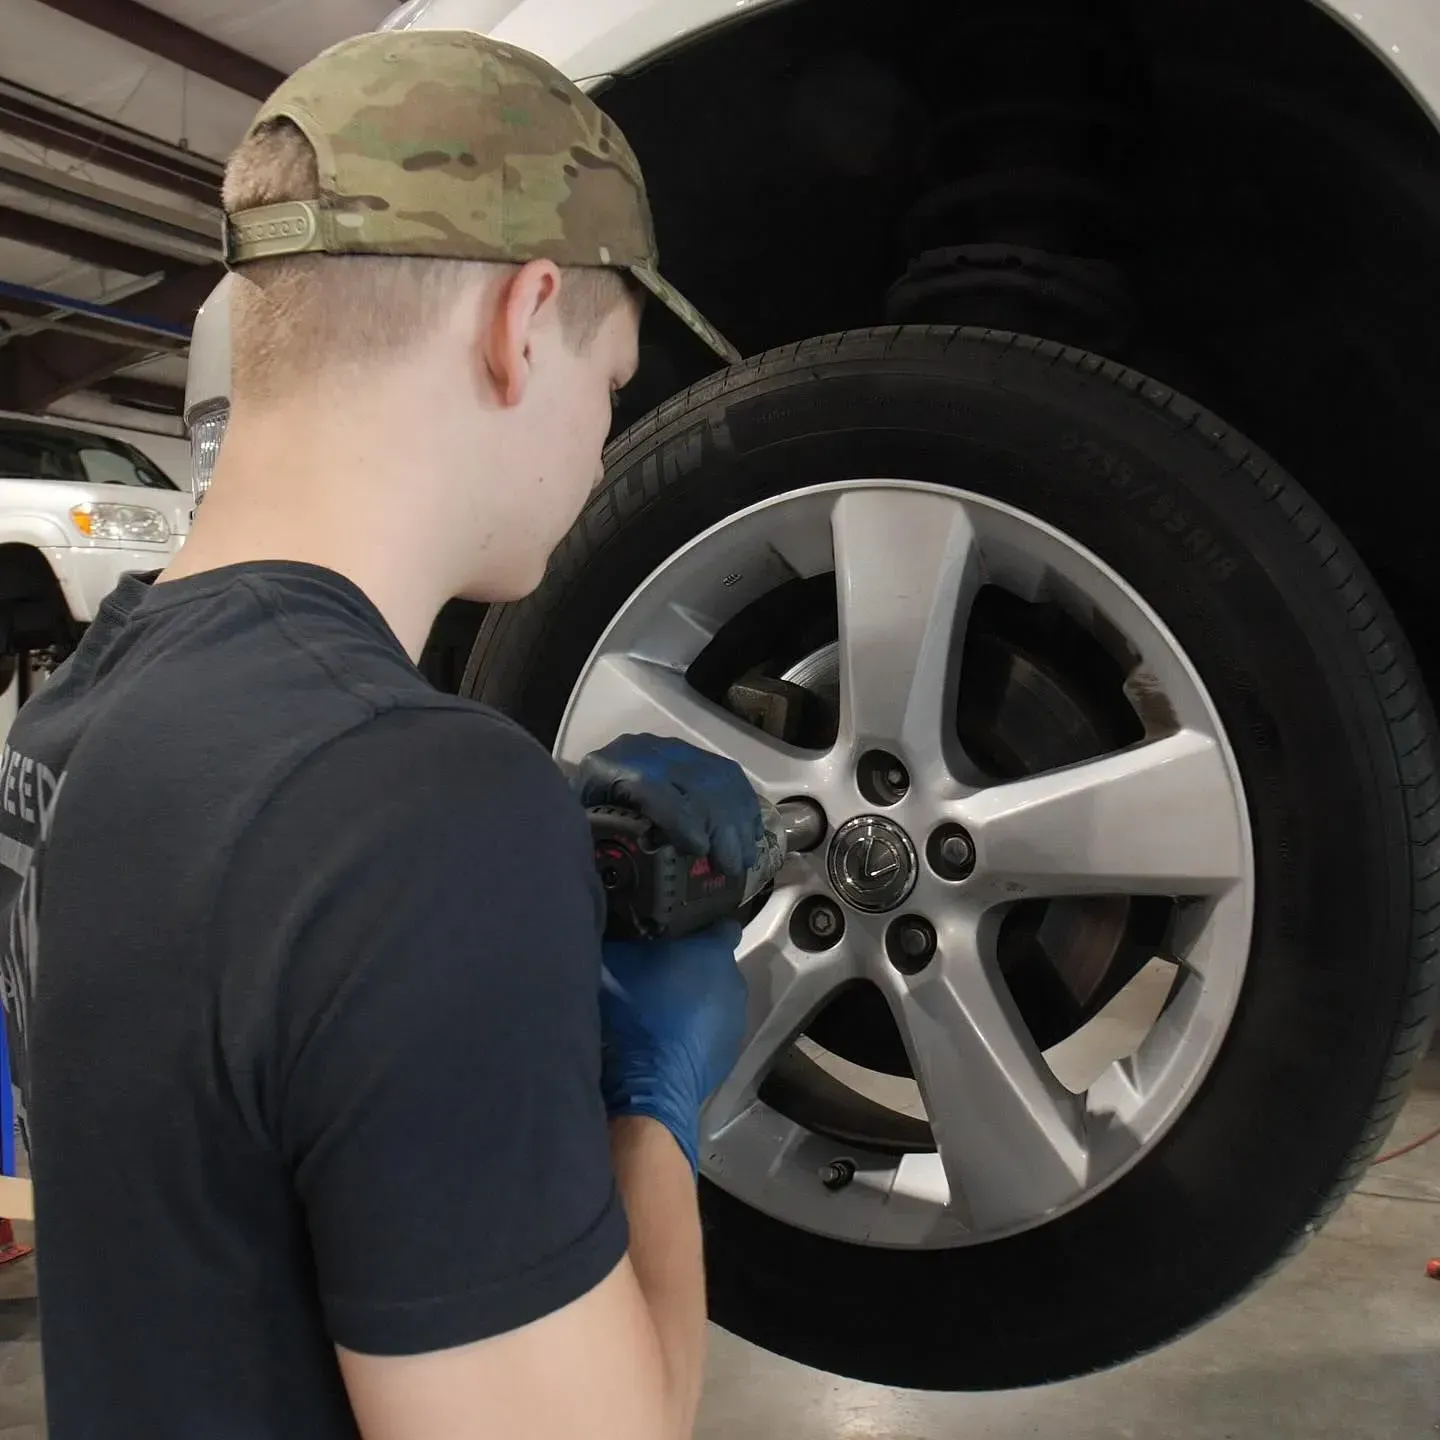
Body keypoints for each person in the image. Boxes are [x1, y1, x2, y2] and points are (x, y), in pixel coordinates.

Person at [0, 28, 762, 1440]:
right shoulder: (419, 812)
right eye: (613, 378)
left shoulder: (68, 718)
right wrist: (655, 1097)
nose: (605, 442)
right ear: (521, 320)